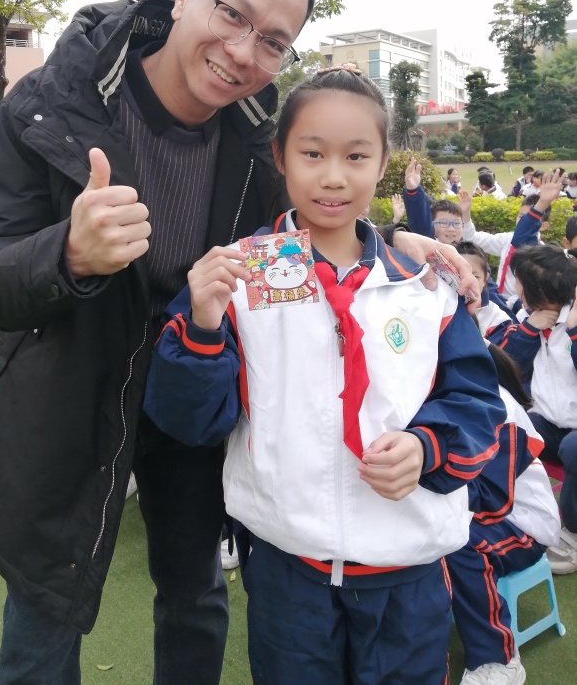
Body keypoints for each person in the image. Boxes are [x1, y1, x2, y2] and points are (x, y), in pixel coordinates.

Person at [0, 0, 479, 685]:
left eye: (272, 41)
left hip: (196, 401)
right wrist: (67, 253)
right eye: (232, 13)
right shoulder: (50, 102)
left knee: (196, 595)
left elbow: (305, 218)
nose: (242, 51)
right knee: (45, 615)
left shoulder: (258, 135)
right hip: (70, 397)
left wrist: (392, 237)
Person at [144, 67, 505, 685]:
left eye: (356, 156)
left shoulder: (425, 288)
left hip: (408, 569)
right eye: (312, 153)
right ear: (280, 157)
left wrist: (427, 447)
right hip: (288, 570)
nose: (333, 176)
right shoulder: (239, 279)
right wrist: (202, 327)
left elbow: (477, 403)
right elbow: (189, 421)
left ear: (383, 163)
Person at [447, 343, 560, 685]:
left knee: (456, 541)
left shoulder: (494, 404)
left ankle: (499, 659)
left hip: (522, 522)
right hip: (487, 511)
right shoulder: (440, 392)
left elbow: (490, 496)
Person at [509, 244, 577, 574]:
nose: (515, 287)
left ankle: (572, 535)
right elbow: (508, 366)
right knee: (509, 431)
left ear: (541, 293)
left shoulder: (573, 321)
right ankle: (515, 514)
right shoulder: (528, 317)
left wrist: (575, 333)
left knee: (573, 448)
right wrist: (529, 329)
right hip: (549, 421)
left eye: (520, 282)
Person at [458, 170, 564, 314]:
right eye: (520, 216)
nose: (522, 221)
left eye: (528, 218)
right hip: (499, 302)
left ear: (544, 226)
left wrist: (543, 203)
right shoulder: (507, 239)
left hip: (523, 307)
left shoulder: (541, 254)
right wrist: (465, 214)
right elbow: (474, 238)